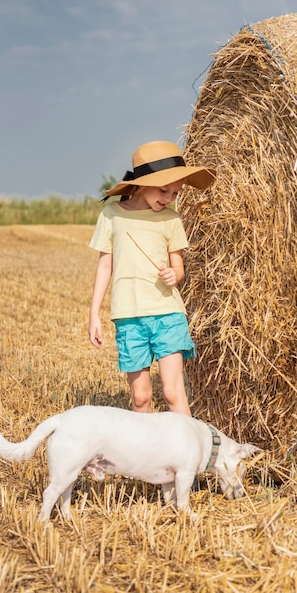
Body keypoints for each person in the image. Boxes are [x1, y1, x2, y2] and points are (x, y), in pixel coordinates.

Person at [88, 140, 216, 415]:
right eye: (163, 190)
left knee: (172, 392)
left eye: (175, 193)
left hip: (168, 314)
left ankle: (188, 456)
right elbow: (104, 266)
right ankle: (146, 456)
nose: (169, 198)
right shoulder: (112, 215)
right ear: (142, 183)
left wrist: (175, 274)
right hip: (129, 317)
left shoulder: (171, 219)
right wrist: (94, 314)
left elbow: (178, 267)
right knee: (141, 397)